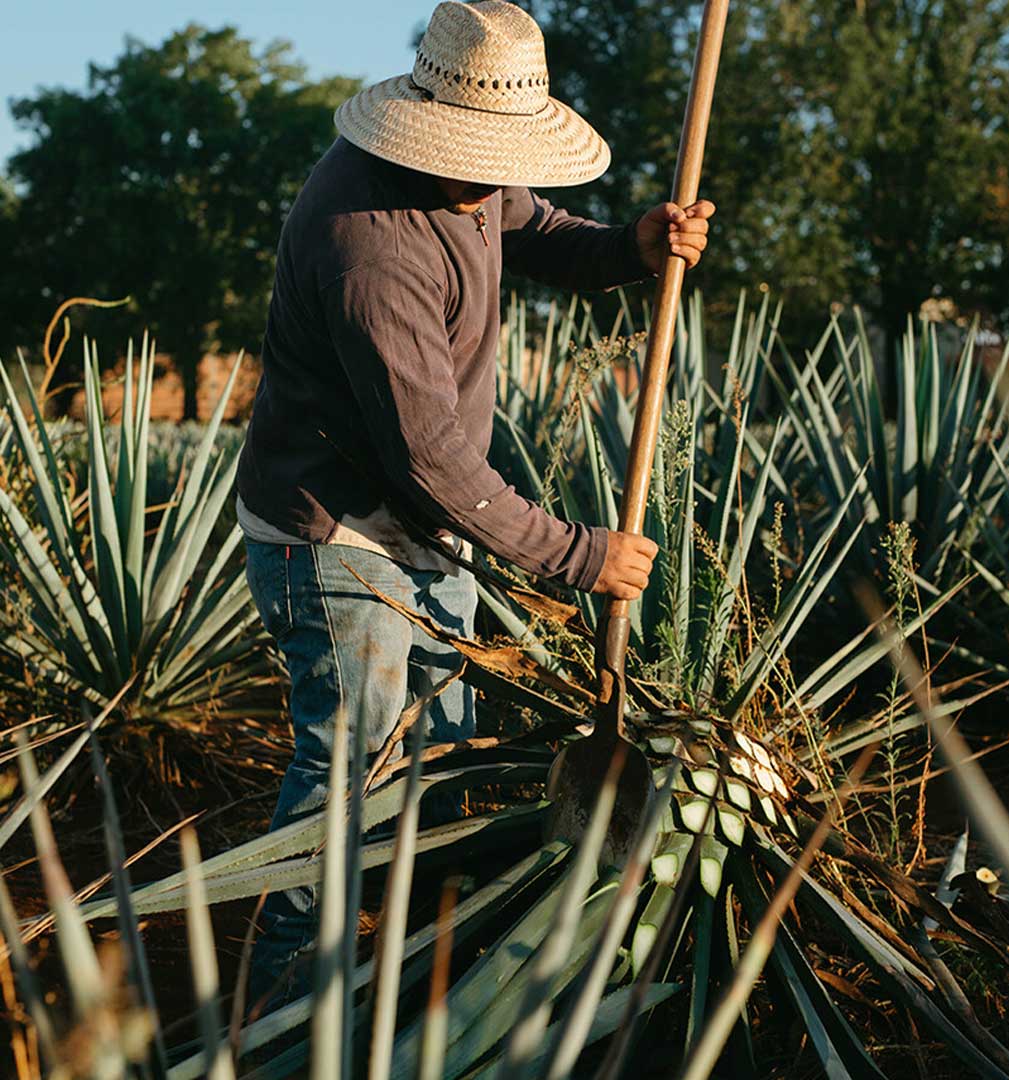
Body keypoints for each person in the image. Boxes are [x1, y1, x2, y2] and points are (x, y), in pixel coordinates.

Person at [236, 0, 714, 1005]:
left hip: (424, 532)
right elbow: (434, 461)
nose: (504, 171)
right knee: (350, 773)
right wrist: (582, 557)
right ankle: (283, 1003)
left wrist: (631, 243)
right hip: (338, 537)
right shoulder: (370, 246)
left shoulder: (472, 177)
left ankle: (403, 971)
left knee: (437, 759)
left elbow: (539, 229)